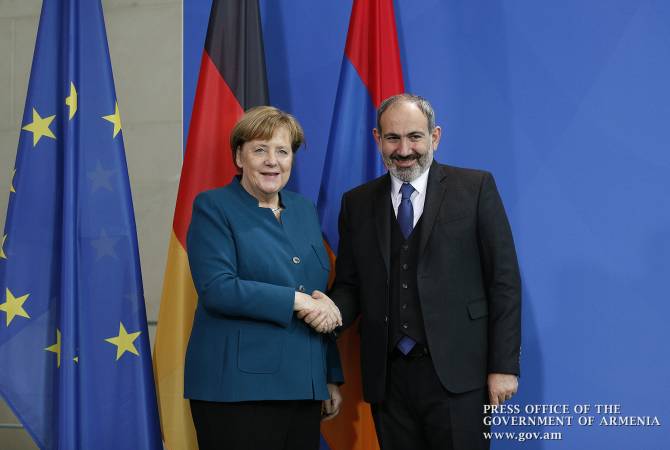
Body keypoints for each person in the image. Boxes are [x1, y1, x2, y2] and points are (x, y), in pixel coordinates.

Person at [308, 94, 521, 450]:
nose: (404, 149)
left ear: (435, 137)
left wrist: (503, 366)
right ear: (377, 139)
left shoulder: (475, 188)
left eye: (415, 137)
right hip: (388, 380)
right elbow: (350, 286)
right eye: (393, 138)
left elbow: (504, 282)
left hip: (459, 376)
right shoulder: (356, 203)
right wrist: (326, 312)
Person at [184, 106, 344, 450]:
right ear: (239, 156)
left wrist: (328, 375)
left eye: (282, 151)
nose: (273, 160)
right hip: (238, 392)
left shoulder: (303, 210)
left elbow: (316, 295)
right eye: (260, 150)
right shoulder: (213, 207)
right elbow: (218, 289)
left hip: (303, 387)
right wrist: (295, 300)